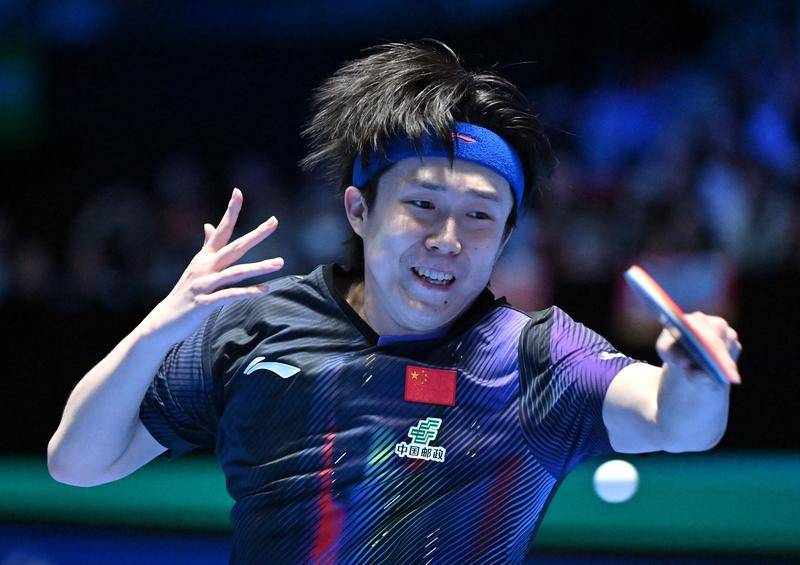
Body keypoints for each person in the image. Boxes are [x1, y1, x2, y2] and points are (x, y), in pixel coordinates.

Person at [47, 40, 742, 564]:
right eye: (422, 204)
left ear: (506, 237)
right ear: (360, 210)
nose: (448, 239)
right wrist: (156, 332)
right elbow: (76, 462)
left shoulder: (535, 358)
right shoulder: (257, 329)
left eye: (479, 216)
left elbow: (676, 421)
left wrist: (696, 373)